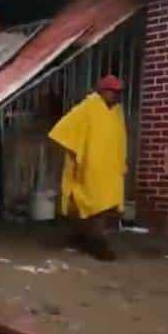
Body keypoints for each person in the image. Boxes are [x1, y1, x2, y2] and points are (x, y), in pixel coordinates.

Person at [48, 75, 127, 261]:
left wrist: (122, 163)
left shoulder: (117, 112)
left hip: (111, 168)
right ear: (102, 91)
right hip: (90, 167)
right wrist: (76, 152)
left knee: (103, 207)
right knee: (95, 206)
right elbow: (64, 128)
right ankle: (98, 245)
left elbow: (120, 138)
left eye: (118, 92)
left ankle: (81, 237)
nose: (115, 95)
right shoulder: (88, 107)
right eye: (112, 91)